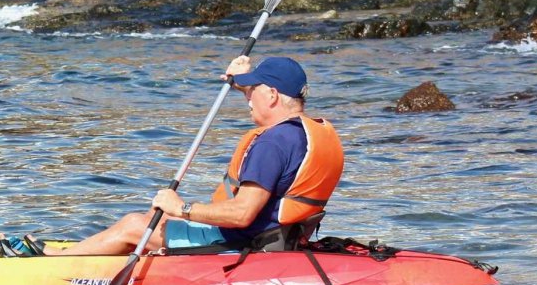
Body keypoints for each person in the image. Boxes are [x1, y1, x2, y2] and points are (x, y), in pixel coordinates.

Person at [52, 54, 343, 256]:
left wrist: (183, 208)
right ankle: (69, 252)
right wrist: (241, 81)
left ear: (272, 95)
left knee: (135, 225)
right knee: (151, 219)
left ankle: (52, 263)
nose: (247, 99)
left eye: (252, 90)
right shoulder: (305, 132)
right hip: (280, 237)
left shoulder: (272, 143)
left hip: (244, 240)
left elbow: (242, 214)